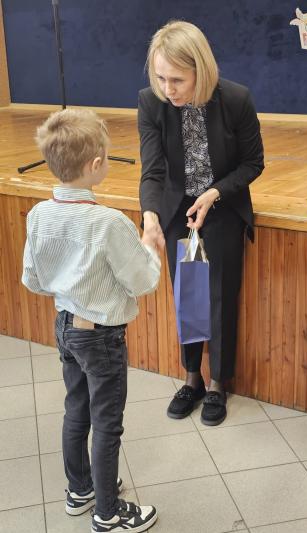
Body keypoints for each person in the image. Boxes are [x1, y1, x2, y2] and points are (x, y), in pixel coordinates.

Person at [21, 109, 159, 533]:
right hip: (101, 337)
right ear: (96, 164)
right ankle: (108, 512)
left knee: (76, 409)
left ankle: (79, 489)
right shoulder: (109, 222)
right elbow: (143, 282)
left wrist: (70, 285)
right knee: (107, 423)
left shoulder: (38, 215)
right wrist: (149, 246)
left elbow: (32, 280)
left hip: (64, 327)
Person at [138, 20, 264, 426]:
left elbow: (252, 163)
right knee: (188, 294)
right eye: (160, 78)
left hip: (222, 206)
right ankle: (192, 378)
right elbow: (153, 171)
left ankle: (217, 384)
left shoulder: (236, 99)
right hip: (179, 209)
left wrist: (214, 193)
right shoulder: (151, 103)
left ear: (201, 70)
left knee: (221, 296)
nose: (168, 89)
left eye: (177, 79)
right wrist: (150, 215)